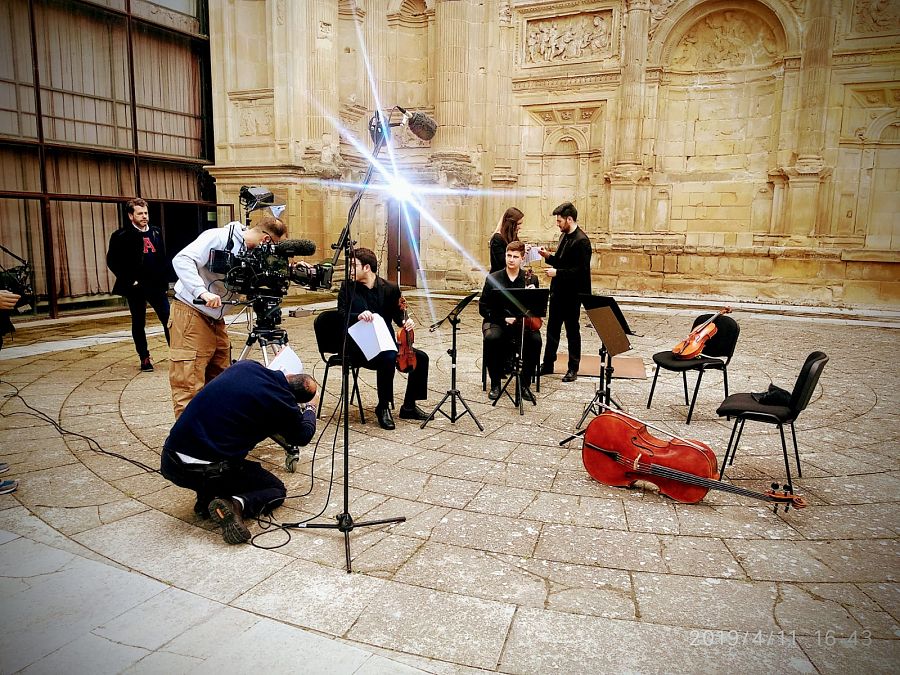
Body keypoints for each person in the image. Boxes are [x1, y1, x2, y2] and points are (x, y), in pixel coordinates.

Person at [160, 359, 318, 544]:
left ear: (289, 375)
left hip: (170, 459)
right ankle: (234, 504)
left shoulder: (247, 366)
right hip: (208, 470)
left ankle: (208, 499)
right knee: (276, 490)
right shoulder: (283, 405)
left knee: (222, 447)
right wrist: (310, 408)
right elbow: (302, 436)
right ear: (296, 401)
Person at [168, 216, 288, 418]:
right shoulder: (219, 236)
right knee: (189, 380)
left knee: (221, 379)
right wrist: (201, 292)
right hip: (191, 311)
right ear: (266, 239)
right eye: (273, 246)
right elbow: (182, 259)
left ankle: (216, 433)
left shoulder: (252, 253)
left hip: (216, 318)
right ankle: (188, 443)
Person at [337, 247, 430, 430]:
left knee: (422, 358)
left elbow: (399, 315)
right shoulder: (347, 288)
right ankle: (383, 406)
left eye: (354, 266)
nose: (350, 270)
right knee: (388, 357)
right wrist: (357, 315)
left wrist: (406, 321)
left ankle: (409, 406)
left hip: (385, 343)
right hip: (358, 347)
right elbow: (340, 315)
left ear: (367, 267)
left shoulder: (390, 288)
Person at [106, 198, 172, 372]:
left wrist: (164, 280)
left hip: (156, 285)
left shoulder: (156, 232)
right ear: (130, 215)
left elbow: (162, 258)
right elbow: (112, 261)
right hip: (135, 287)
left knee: (168, 319)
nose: (144, 217)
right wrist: (130, 280)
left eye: (146, 213)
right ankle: (144, 357)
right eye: (140, 213)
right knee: (138, 322)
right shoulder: (120, 235)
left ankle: (176, 354)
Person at [479, 240, 542, 403]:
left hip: (522, 323)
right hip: (497, 321)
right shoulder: (493, 278)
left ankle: (524, 384)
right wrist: (502, 317)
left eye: (515, 256)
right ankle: (495, 383)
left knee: (535, 340)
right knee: (493, 338)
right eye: (508, 255)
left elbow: (537, 311)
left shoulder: (531, 279)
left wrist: (533, 298)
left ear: (522, 259)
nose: (511, 259)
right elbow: (483, 308)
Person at [539, 201, 592, 382]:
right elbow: (562, 262)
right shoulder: (564, 236)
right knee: (552, 330)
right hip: (557, 292)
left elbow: (580, 272)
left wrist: (557, 273)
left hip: (572, 295)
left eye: (560, 221)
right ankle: (547, 364)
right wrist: (548, 257)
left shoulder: (582, 241)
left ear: (570, 219)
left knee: (572, 331)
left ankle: (573, 368)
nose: (558, 224)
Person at [488, 207, 525, 273]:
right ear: (511, 224)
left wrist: (524, 250)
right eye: (518, 224)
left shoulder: (513, 236)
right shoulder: (497, 238)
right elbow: (502, 263)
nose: (520, 227)